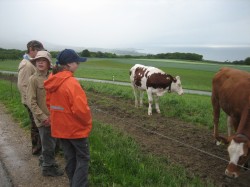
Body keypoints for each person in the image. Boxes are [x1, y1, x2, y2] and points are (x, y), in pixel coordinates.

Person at [44, 49, 92, 186]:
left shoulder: (52, 81)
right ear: (69, 65)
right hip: (76, 130)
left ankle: (73, 182)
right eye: (77, 62)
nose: (78, 65)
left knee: (70, 158)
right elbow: (81, 110)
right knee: (83, 158)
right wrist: (87, 124)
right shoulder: (71, 83)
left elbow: (49, 103)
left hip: (60, 129)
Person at [26, 51, 64, 177]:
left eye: (43, 60)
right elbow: (31, 102)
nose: (40, 62)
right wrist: (43, 118)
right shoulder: (33, 79)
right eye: (38, 60)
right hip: (44, 120)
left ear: (48, 63)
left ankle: (45, 160)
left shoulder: (52, 76)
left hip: (55, 118)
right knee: (48, 145)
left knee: (54, 144)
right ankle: (48, 168)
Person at [17, 40, 43, 155]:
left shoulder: (30, 62)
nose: (39, 54)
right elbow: (23, 85)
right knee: (35, 125)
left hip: (33, 101)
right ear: (31, 49)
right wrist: (31, 104)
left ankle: (39, 148)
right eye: (37, 51)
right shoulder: (26, 65)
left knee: (36, 124)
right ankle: (36, 149)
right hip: (30, 101)